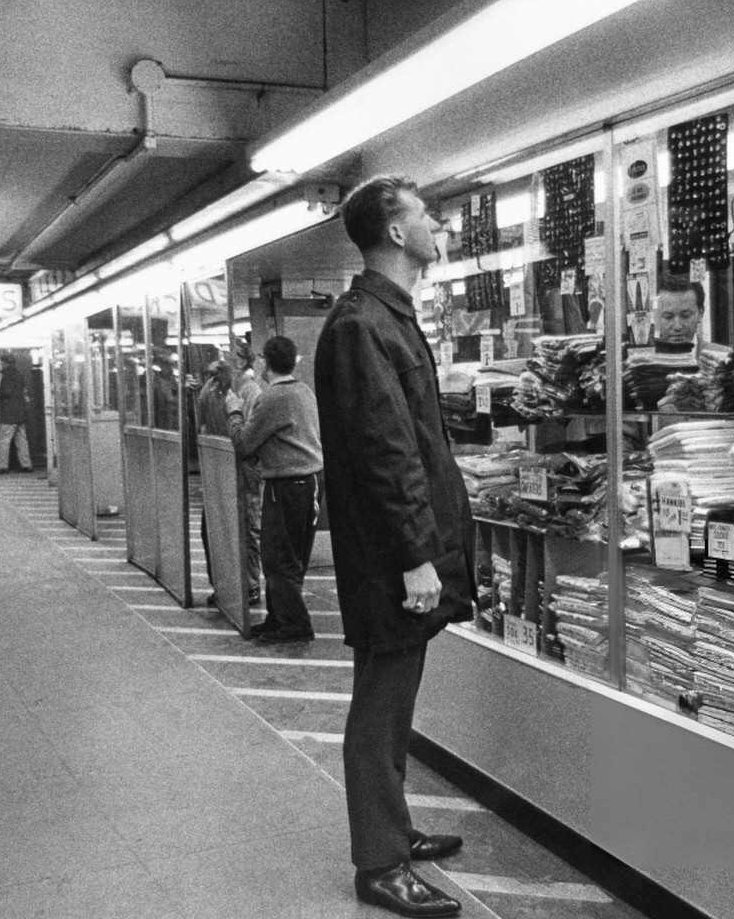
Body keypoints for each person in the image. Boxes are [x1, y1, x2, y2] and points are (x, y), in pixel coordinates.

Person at [314, 175, 473, 918]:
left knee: (395, 701)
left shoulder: (390, 317)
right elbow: (386, 454)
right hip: (391, 561)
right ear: (398, 233)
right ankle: (379, 866)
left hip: (406, 552)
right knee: (379, 707)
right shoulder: (361, 326)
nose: (438, 222)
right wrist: (415, 558)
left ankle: (395, 830)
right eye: (426, 214)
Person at [234, 336, 323, 643]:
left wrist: (234, 411)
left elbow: (245, 444)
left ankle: (296, 625)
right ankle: (278, 618)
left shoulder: (272, 398)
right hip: (309, 483)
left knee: (276, 558)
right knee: (292, 556)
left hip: (284, 485)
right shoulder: (304, 391)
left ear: (265, 363)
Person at [196, 360, 241, 607]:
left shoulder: (210, 393)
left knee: (213, 530)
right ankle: (235, 585)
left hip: (220, 471)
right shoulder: (227, 395)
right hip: (228, 470)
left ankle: (225, 585)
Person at [230, 341, 264, 606]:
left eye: (230, 357)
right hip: (237, 468)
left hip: (249, 471)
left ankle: (252, 583)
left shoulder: (250, 391)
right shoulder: (233, 389)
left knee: (250, 526)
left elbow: (249, 438)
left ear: (242, 362)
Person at [0, 353, 33, 474]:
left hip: (9, 414)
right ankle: (26, 465)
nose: (0, 364)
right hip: (20, 413)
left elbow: (7, 393)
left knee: (4, 440)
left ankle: (2, 466)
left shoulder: (7, 376)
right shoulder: (19, 375)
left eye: (1, 362)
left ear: (5, 362)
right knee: (22, 441)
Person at [654, 277, 704, 349]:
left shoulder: (721, 356)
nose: (677, 326)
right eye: (668, 317)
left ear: (700, 314)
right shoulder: (641, 357)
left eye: (685, 316)